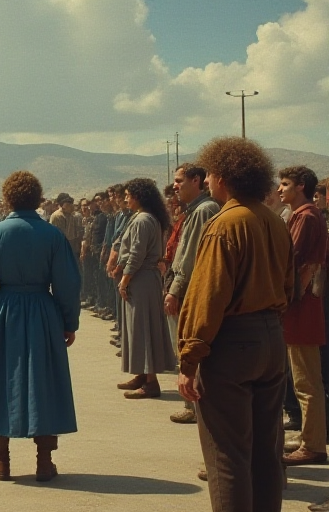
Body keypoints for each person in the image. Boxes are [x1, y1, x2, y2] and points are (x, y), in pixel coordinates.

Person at [177, 137, 292, 512]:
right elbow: (288, 285)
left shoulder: (224, 223)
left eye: (209, 174)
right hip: (272, 340)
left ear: (223, 177)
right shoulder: (272, 221)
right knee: (265, 451)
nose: (207, 181)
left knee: (226, 455)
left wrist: (189, 358)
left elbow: (207, 298)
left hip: (231, 343)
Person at [0, 171, 80, 483]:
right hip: (43, 310)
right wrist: (69, 321)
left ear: (8, 199)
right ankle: (44, 461)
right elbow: (68, 284)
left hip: (4, 312)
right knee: (43, 379)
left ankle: (0, 461)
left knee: (0, 378)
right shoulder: (53, 236)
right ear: (38, 198)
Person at [277, 165, 328, 466]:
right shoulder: (302, 215)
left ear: (301, 186)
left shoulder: (306, 216)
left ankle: (313, 445)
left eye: (285, 184)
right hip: (300, 306)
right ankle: (311, 438)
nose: (280, 189)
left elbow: (290, 259)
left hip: (302, 307)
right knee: (304, 380)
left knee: (307, 381)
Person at [164, 164, 220, 424]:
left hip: (189, 290)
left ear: (196, 180)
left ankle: (195, 406)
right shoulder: (195, 210)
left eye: (179, 180)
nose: (175, 185)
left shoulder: (203, 210)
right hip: (185, 286)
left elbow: (189, 258)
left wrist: (175, 290)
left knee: (189, 347)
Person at [114, 178, 177, 399]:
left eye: (128, 195)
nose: (125, 199)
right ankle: (141, 374)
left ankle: (151, 382)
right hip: (142, 278)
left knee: (144, 328)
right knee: (136, 327)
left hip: (142, 279)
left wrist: (125, 279)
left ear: (138, 196)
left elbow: (136, 254)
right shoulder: (145, 218)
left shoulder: (143, 220)